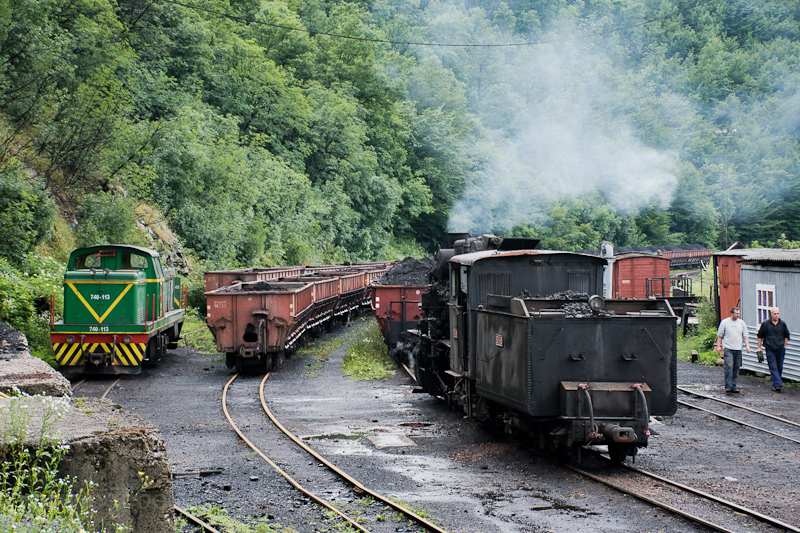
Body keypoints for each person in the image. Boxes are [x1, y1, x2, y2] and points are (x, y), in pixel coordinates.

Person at [715, 307, 750, 393]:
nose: (738, 315)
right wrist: (719, 346)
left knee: (736, 367)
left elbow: (745, 336)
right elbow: (720, 335)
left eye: (739, 314)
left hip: (738, 348)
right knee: (729, 365)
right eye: (736, 314)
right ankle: (728, 386)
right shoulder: (725, 322)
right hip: (728, 348)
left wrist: (747, 346)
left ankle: (734, 386)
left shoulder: (742, 323)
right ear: (732, 313)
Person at [757, 307, 790, 392]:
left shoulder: (782, 324)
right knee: (773, 366)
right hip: (769, 348)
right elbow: (760, 336)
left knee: (779, 367)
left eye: (777, 314)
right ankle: (778, 384)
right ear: (771, 314)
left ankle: (775, 384)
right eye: (774, 314)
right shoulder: (765, 324)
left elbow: (787, 335)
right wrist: (759, 347)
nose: (776, 315)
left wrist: (784, 345)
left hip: (780, 348)